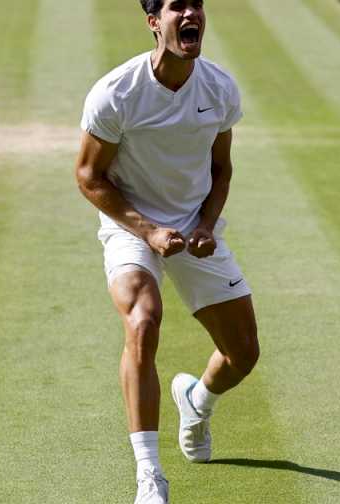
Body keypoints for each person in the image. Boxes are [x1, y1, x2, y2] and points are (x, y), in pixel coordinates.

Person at [74, 1, 259, 502]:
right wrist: (148, 230)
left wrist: (204, 224)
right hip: (131, 223)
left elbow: (222, 169)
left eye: (196, 4)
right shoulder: (117, 93)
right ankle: (149, 475)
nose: (190, 13)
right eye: (178, 5)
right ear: (155, 21)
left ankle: (196, 400)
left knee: (243, 355)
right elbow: (89, 176)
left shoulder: (219, 88)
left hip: (194, 225)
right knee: (143, 319)